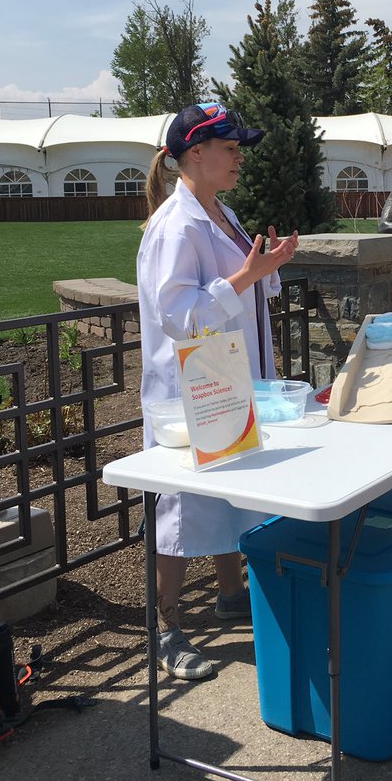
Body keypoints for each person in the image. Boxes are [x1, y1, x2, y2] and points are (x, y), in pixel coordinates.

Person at [138, 102, 299, 681]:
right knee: (181, 505)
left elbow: (237, 284)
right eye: (229, 147)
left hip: (227, 381)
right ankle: (165, 626)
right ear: (194, 154)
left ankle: (231, 594)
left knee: (229, 488)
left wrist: (267, 266)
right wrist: (248, 277)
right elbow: (179, 313)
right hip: (191, 390)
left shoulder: (217, 212)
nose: (238, 156)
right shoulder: (178, 224)